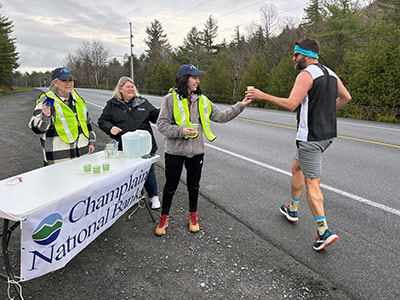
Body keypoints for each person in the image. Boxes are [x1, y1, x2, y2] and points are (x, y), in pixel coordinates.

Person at [246, 38, 352, 251]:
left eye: (296, 54)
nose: (293, 58)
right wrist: (328, 113)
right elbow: (346, 97)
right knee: (297, 167)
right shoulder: (330, 73)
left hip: (311, 138)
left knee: (313, 182)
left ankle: (324, 231)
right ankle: (292, 209)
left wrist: (261, 95)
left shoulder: (306, 75)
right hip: (327, 135)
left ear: (307, 55)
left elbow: (291, 104)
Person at [155, 64, 253, 236]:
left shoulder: (203, 100)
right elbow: (161, 125)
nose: (198, 81)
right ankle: (164, 217)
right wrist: (181, 131)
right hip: (175, 152)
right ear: (185, 79)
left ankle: (193, 215)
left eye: (198, 78)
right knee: (170, 186)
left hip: (196, 151)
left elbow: (221, 116)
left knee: (194, 186)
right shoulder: (169, 99)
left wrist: (242, 104)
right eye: (195, 77)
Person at [98, 76, 161, 209]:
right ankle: (131, 198)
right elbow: (102, 121)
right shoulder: (112, 105)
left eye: (132, 86)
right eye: (128, 86)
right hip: (125, 148)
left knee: (148, 172)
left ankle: (153, 196)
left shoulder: (142, 102)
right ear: (120, 89)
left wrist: (165, 110)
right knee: (129, 174)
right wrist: (111, 128)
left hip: (145, 147)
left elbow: (155, 115)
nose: (131, 89)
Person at [29, 67, 96, 165]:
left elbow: (87, 123)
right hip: (58, 160)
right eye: (64, 80)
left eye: (70, 80)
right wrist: (45, 116)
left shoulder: (78, 99)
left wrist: (91, 142)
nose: (68, 83)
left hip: (82, 156)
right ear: (55, 83)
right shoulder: (49, 100)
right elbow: (35, 127)